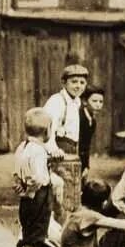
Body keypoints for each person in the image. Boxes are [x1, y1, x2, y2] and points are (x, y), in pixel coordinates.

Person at [8, 108, 60, 247]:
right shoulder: (38, 151)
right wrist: (32, 188)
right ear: (47, 131)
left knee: (29, 232)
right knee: (34, 236)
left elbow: (16, 172)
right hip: (38, 196)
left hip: (27, 198)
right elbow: (38, 177)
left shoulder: (22, 147)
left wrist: (22, 188)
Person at [43, 63, 89, 218]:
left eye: (82, 82)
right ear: (64, 83)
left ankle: (67, 232)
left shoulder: (76, 102)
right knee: (59, 197)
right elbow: (47, 128)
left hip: (71, 153)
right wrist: (53, 149)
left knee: (72, 196)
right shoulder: (57, 101)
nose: (78, 86)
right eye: (74, 82)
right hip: (59, 154)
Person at [78, 85, 106, 172]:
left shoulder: (92, 121)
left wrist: (86, 166)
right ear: (85, 101)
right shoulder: (79, 118)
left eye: (101, 102)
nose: (98, 105)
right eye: (94, 101)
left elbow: (86, 147)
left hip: (82, 158)